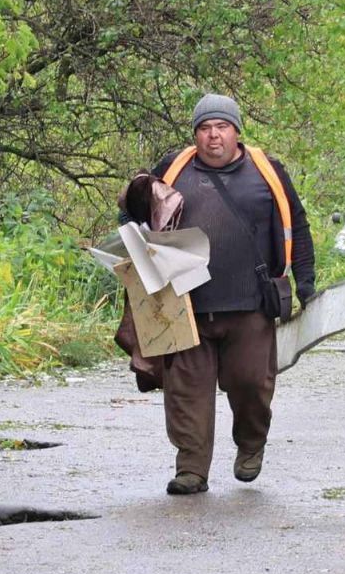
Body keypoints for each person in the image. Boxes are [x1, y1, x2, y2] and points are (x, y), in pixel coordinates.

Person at [122, 94, 316, 495]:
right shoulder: (173, 169)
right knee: (186, 391)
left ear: (236, 131)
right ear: (195, 134)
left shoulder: (267, 171)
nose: (213, 135)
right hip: (186, 305)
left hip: (250, 304)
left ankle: (249, 444)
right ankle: (191, 469)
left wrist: (306, 283)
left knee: (249, 383)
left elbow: (296, 223)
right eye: (205, 128)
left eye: (221, 127)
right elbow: (133, 217)